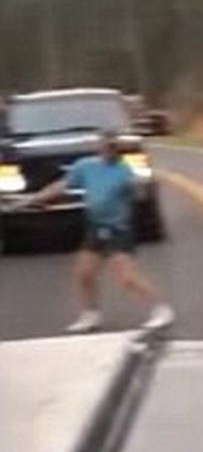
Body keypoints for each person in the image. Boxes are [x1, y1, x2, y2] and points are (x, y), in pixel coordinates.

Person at [24, 129, 174, 333]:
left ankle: (161, 310)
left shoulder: (123, 171)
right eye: (105, 145)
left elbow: (138, 196)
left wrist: (136, 188)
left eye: (113, 146)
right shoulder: (85, 166)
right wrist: (36, 198)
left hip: (118, 229)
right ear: (99, 147)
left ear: (117, 149)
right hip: (95, 227)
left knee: (127, 277)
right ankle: (90, 315)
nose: (109, 149)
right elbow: (62, 185)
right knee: (84, 274)